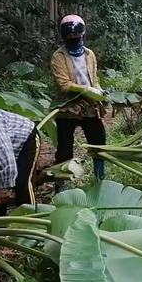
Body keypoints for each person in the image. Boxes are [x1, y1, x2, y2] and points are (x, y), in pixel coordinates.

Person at [50, 14, 106, 183]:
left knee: (99, 142)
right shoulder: (58, 57)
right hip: (68, 107)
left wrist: (98, 92)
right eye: (71, 37)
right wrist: (86, 89)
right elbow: (64, 84)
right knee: (65, 148)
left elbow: (94, 78)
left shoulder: (89, 54)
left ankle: (100, 178)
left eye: (77, 36)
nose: (74, 39)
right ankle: (61, 184)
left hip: (90, 106)